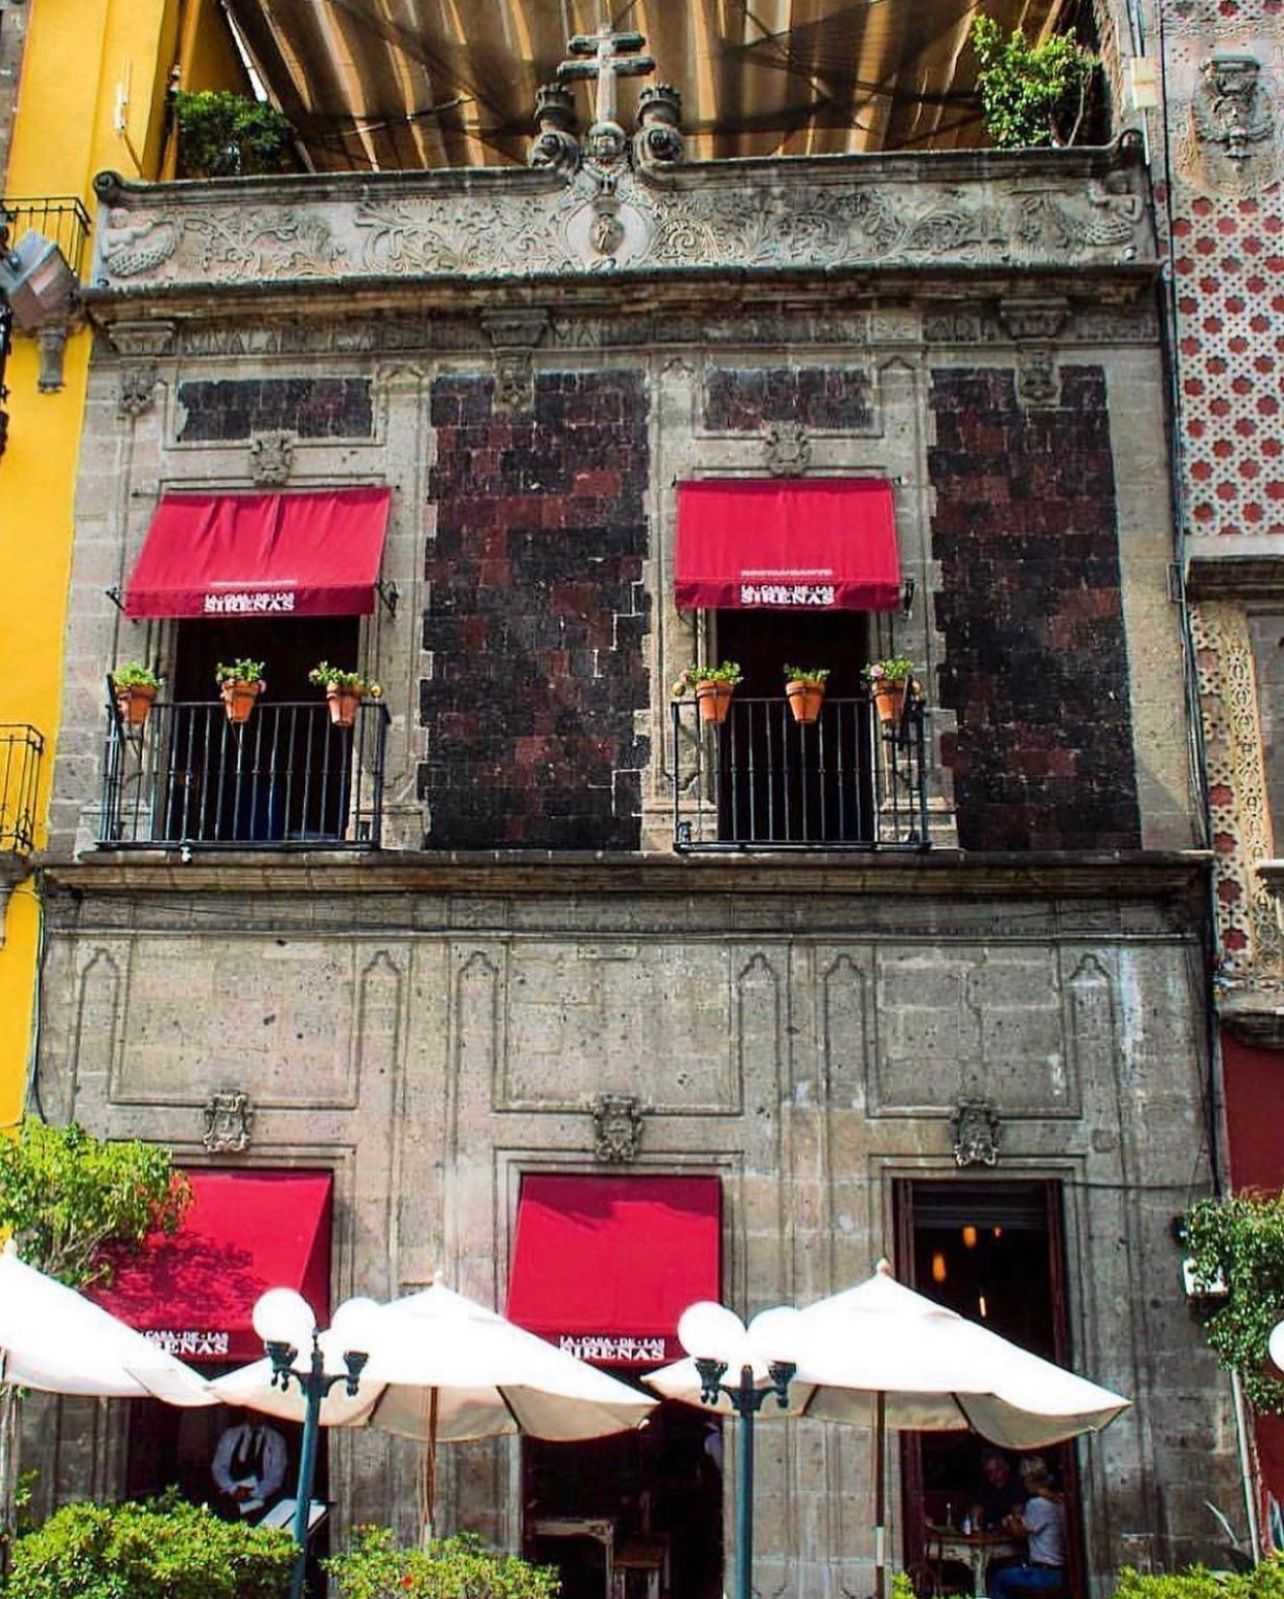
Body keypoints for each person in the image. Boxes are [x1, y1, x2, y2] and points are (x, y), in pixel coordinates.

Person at [987, 1465, 1066, 1599]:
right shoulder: (1060, 1501)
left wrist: (1010, 1519)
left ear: (1028, 1480)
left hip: (1044, 1574)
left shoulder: (1037, 1504)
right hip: (1061, 1572)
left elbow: (1019, 1534)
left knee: (998, 1578)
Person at [211, 1408, 288, 1522]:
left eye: (259, 1411)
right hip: (229, 1499)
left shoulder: (276, 1440)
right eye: (252, 1410)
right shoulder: (231, 1435)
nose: (255, 1414)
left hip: (261, 1502)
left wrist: (254, 1493)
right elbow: (218, 1467)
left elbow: (276, 1476)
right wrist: (233, 1489)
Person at [971, 1450, 1026, 1531]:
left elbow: (1018, 1520)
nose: (994, 1475)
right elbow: (975, 1514)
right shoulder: (984, 1488)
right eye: (989, 1472)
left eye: (997, 1470)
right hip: (989, 1537)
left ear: (1006, 1467)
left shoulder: (1016, 1487)